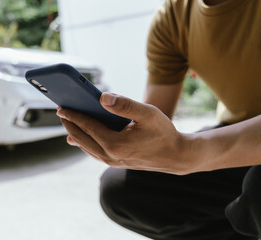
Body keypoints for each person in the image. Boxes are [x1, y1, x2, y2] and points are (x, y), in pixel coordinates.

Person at [56, 0, 261, 239]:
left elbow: (187, 152)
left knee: (256, 189)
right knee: (124, 190)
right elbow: (153, 122)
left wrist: (191, 152)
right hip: (235, 136)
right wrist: (132, 142)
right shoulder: (174, 15)